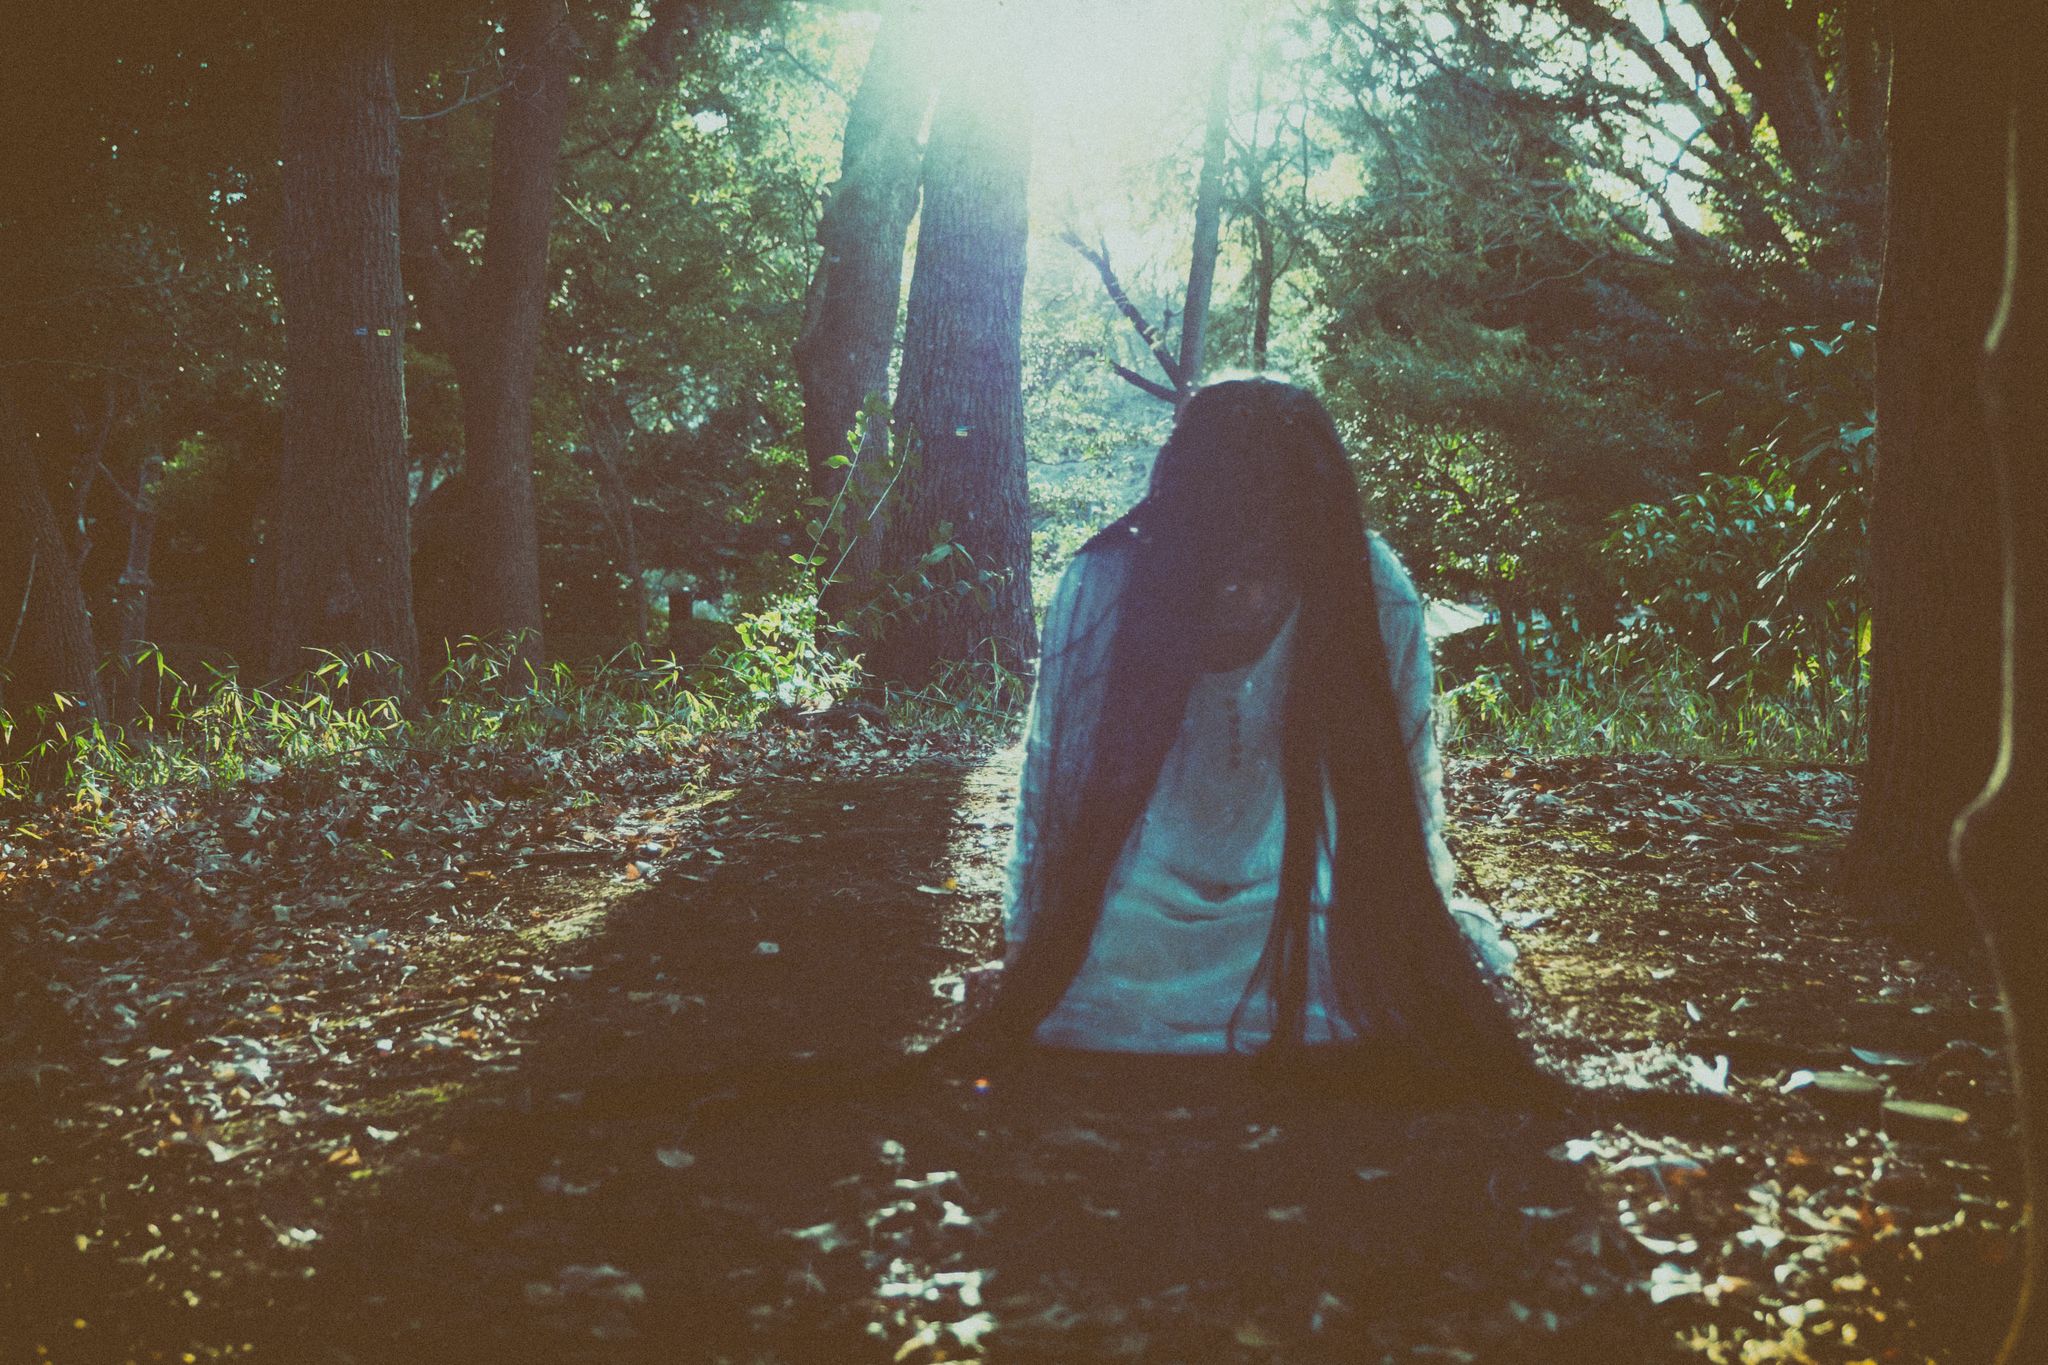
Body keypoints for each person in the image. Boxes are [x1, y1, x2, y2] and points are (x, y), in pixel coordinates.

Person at [969, 379, 1533, 1077]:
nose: (1243, 588)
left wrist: (1419, 938)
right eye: (1223, 554)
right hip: (1140, 911)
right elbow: (1051, 787)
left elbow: (1407, 797)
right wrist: (1029, 946)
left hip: (1299, 907)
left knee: (1350, 981)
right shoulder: (1105, 584)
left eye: (1270, 557)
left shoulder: (1372, 590)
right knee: (1110, 986)